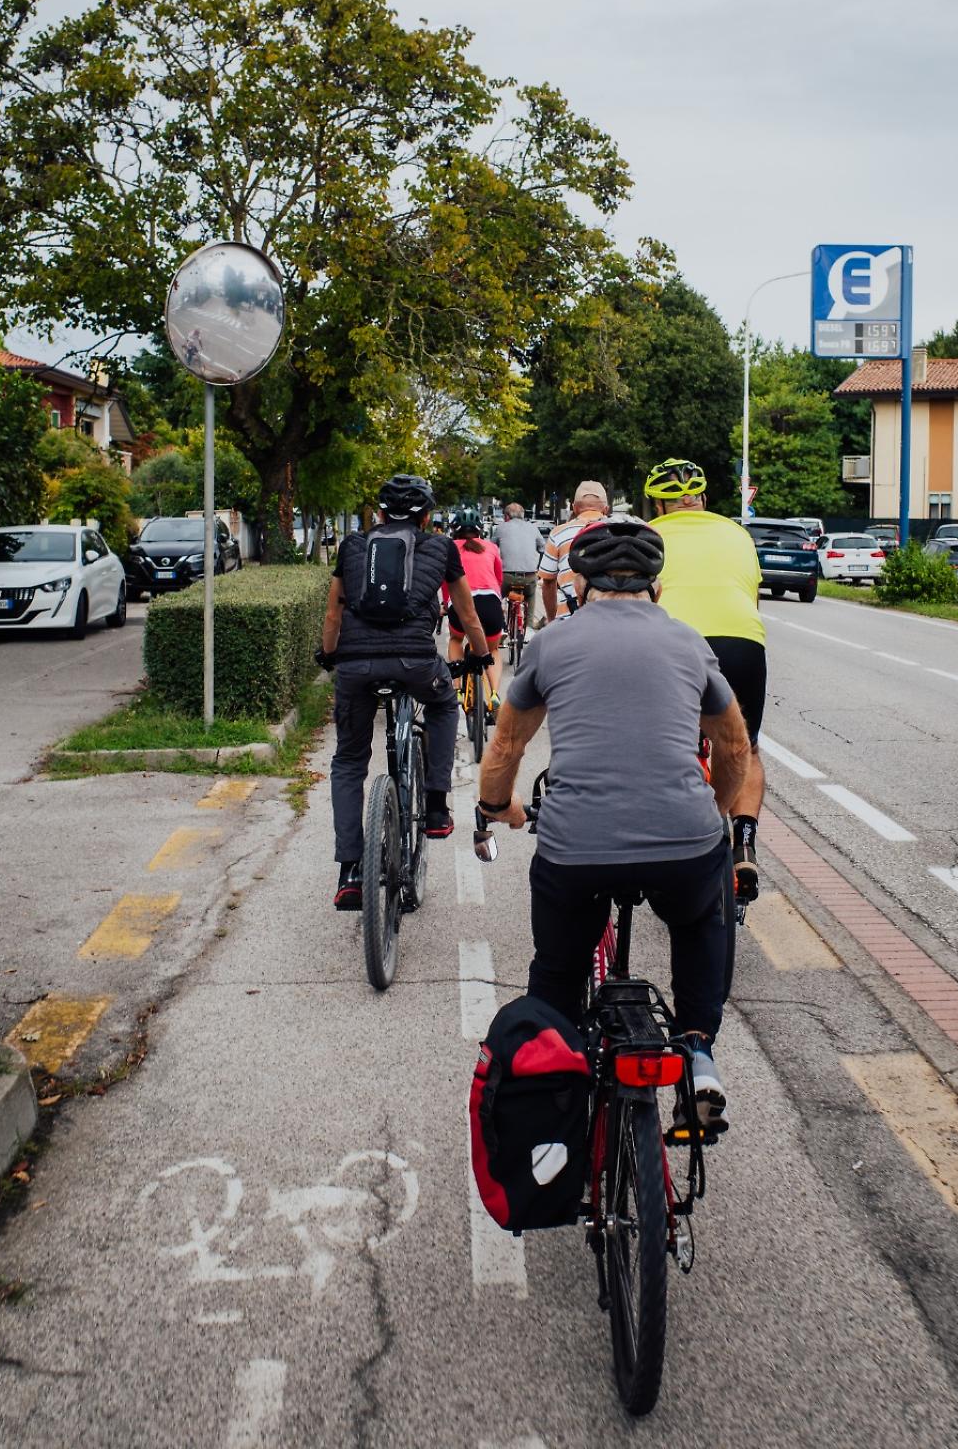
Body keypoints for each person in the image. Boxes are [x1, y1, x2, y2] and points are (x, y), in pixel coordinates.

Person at [478, 517, 750, 1130]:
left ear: (579, 581)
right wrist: (713, 818)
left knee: (556, 971)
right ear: (657, 584)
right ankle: (699, 1049)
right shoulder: (687, 642)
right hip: (683, 839)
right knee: (703, 916)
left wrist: (501, 809)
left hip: (576, 844)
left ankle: (554, 1085)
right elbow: (734, 749)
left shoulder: (551, 644)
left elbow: (504, 750)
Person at [317, 475, 492, 910]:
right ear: (427, 516)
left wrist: (329, 656)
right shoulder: (440, 548)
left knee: (349, 759)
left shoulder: (353, 547)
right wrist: (483, 656)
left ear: (378, 515)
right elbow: (467, 614)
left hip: (356, 668)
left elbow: (333, 611)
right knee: (443, 703)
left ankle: (351, 871)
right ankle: (435, 806)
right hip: (416, 663)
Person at [644, 457, 767, 902]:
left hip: (674, 642)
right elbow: (753, 599)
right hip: (742, 641)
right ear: (704, 500)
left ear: (657, 505)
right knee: (744, 747)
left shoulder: (648, 536)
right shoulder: (738, 533)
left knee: (661, 743)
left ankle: (667, 845)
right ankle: (745, 841)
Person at [443, 507, 506, 697]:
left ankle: (457, 688)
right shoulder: (491, 547)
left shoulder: (450, 548)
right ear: (480, 530)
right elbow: (499, 579)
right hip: (489, 602)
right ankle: (494, 693)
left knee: (456, 639)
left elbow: (446, 582)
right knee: (492, 649)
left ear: (454, 529)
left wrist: (446, 605)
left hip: (461, 603)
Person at [538, 480, 610, 623]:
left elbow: (548, 583)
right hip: (609, 619)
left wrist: (552, 621)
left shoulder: (558, 533)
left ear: (575, 508)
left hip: (568, 619)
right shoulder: (620, 531)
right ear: (606, 509)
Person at [491, 502, 546, 627]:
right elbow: (543, 549)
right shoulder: (533, 528)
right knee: (530, 596)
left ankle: (498, 625)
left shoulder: (501, 528)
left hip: (506, 576)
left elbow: (491, 549)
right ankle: (529, 626)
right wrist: (538, 569)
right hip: (529, 575)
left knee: (496, 597)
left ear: (506, 516)